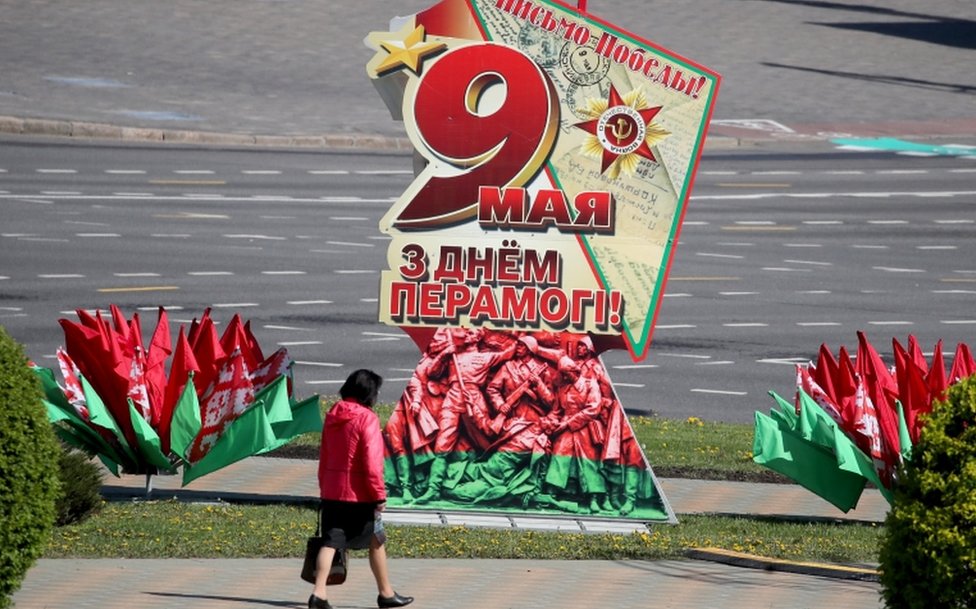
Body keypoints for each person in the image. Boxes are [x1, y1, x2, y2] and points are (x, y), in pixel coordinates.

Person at [310, 369, 413, 609]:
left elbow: (324, 456)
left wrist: (324, 487)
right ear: (369, 393)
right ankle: (386, 594)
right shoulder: (367, 419)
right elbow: (372, 462)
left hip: (333, 492)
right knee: (376, 539)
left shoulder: (333, 415)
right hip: (360, 495)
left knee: (330, 542)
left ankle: (319, 593)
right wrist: (379, 495)